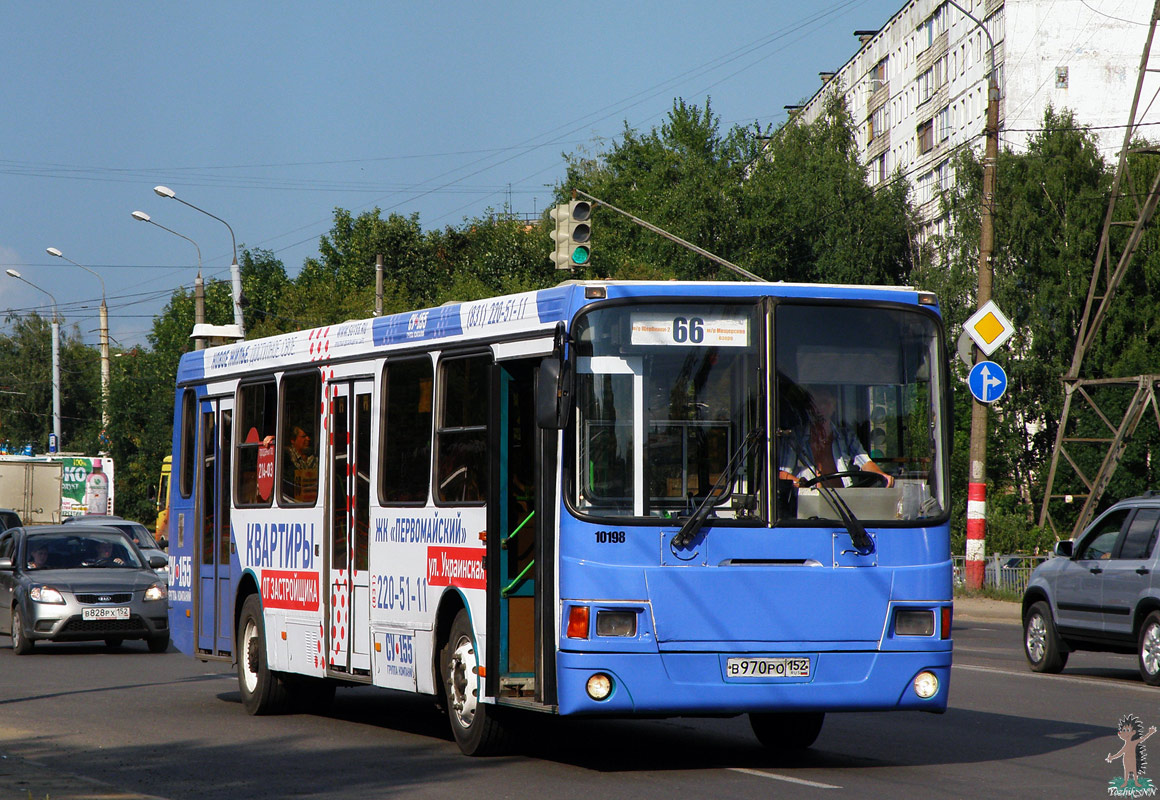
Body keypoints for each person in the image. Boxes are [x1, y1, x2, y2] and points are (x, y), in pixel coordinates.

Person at [779, 385, 894, 488]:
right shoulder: (794, 438)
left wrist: (881, 475)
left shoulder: (846, 436)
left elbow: (865, 462)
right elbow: (782, 474)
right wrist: (801, 483)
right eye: (817, 403)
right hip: (808, 505)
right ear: (809, 407)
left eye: (826, 402)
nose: (821, 407)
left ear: (834, 405)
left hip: (842, 504)